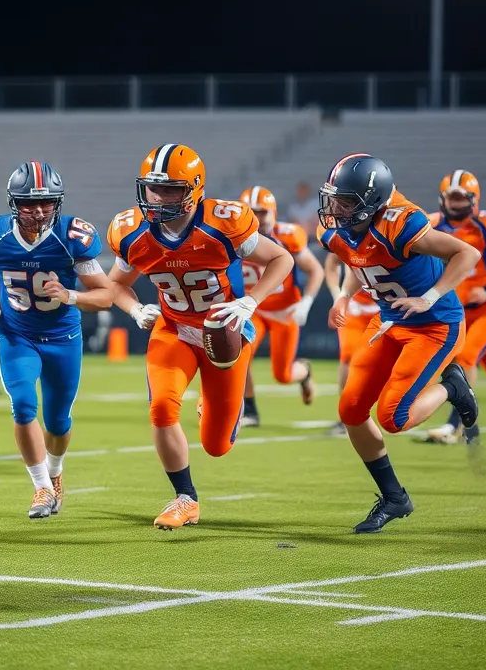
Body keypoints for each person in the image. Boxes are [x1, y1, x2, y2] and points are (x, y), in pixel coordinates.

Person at [104, 144, 294, 530]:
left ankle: (216, 404)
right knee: (161, 409)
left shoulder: (223, 223)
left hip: (224, 330)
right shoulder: (131, 231)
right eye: (153, 188)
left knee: (216, 445)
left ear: (193, 190)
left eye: (170, 189)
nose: (158, 197)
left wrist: (250, 302)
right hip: (173, 328)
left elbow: (282, 258)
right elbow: (115, 285)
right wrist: (135, 309)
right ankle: (185, 499)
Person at [319, 153, 481, 533]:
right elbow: (358, 259)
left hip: (434, 324)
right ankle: (394, 497)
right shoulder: (340, 229)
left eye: (346, 202)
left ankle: (452, 387)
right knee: (351, 409)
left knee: (394, 417)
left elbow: (467, 253)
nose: (336, 209)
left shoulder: (402, 225)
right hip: (389, 320)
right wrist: (344, 295)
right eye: (335, 199)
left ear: (372, 202)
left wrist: (430, 296)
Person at [0, 160, 115, 518]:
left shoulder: (71, 237)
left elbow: (106, 295)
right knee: (24, 405)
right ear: (14, 202)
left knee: (58, 422)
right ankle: (42, 487)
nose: (39, 211)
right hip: (17, 335)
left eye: (46, 202)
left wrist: (70, 295)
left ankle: (55, 473)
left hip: (63, 337)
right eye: (29, 203)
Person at [423, 170, 486, 444]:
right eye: (452, 198)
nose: (457, 203)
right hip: (458, 309)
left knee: (465, 357)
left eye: (462, 197)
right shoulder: (432, 225)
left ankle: (455, 425)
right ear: (443, 199)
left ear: (474, 199)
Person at [237, 186, 324, 427]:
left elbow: (315, 270)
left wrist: (306, 302)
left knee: (283, 375)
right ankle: (250, 410)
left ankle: (304, 371)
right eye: (251, 212)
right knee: (239, 356)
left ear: (274, 212)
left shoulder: (288, 236)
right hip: (253, 309)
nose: (256, 218)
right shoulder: (231, 236)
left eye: (262, 212)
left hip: (285, 312)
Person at [323, 252, 379, 436]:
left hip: (388, 307)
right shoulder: (349, 239)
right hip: (354, 306)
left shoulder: (394, 237)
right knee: (348, 355)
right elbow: (332, 260)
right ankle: (347, 415)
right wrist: (337, 294)